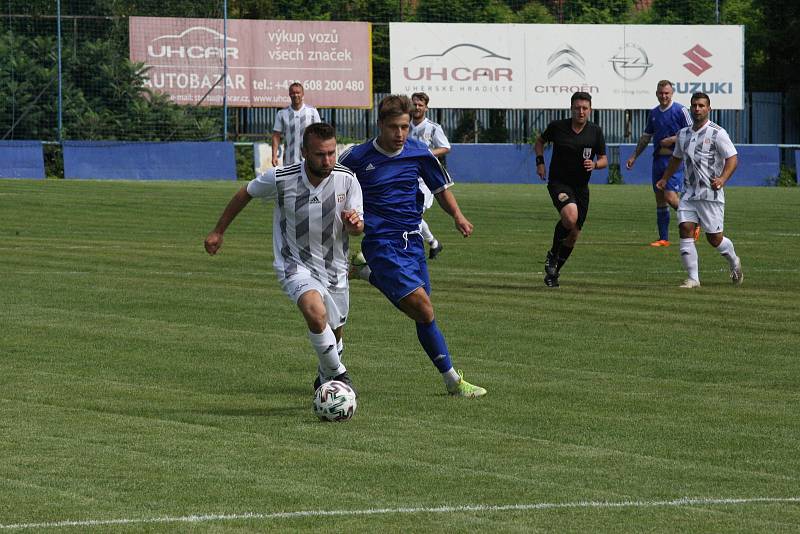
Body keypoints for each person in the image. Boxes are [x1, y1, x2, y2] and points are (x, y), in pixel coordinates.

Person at [339, 94, 486, 398]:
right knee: (424, 309)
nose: (400, 134)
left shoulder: (419, 153)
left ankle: (365, 273)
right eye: (394, 127)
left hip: (413, 243)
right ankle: (453, 382)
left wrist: (457, 215)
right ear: (380, 125)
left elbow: (440, 188)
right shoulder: (356, 157)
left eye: (405, 127)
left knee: (422, 312)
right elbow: (331, 182)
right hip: (381, 243)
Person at [205, 123, 364, 392]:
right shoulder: (281, 178)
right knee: (315, 315)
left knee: (334, 330)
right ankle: (340, 375)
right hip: (294, 264)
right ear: (304, 152)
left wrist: (354, 224)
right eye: (319, 155)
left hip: (335, 266)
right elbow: (246, 192)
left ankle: (327, 371)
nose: (327, 161)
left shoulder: (347, 179)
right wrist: (218, 231)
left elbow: (357, 228)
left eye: (331, 153)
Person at [656, 92, 743, 288]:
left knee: (714, 239)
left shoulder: (717, 133)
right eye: (694, 105)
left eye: (701, 105)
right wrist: (665, 178)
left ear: (708, 109)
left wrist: (722, 179)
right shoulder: (683, 134)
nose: (697, 109)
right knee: (685, 228)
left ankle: (734, 261)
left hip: (711, 195)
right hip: (689, 193)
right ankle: (693, 279)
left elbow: (733, 158)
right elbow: (676, 158)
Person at [534, 91, 608, 288]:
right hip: (559, 183)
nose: (581, 112)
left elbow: (604, 159)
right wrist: (540, 162)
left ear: (590, 110)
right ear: (571, 109)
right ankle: (552, 255)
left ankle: (554, 272)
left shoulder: (595, 132)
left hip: (581, 188)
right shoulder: (558, 127)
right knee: (570, 216)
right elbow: (540, 141)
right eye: (577, 108)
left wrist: (595, 165)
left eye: (585, 108)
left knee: (573, 234)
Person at [625, 80, 694, 247]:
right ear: (657, 93)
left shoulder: (680, 110)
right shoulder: (654, 113)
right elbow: (646, 137)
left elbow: (693, 132)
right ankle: (663, 239)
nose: (664, 96)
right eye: (661, 93)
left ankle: (693, 221)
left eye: (667, 93)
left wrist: (672, 139)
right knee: (660, 200)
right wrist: (634, 156)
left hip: (674, 161)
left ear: (672, 94)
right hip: (658, 161)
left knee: (671, 197)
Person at [409, 91, 450, 259]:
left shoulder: (433, 127)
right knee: (409, 212)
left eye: (420, 105)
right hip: (408, 176)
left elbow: (446, 147)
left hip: (426, 179)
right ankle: (433, 243)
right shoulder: (404, 125)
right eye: (415, 104)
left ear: (426, 107)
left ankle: (427, 243)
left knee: (414, 213)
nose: (417, 107)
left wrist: (427, 153)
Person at [271, 82, 322, 167]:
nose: (295, 95)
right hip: (288, 160)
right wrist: (274, 156)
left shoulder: (312, 111)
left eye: (298, 92)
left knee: (307, 180)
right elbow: (276, 136)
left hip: (308, 159)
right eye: (293, 93)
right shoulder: (282, 113)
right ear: (289, 94)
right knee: (288, 180)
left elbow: (319, 134)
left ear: (302, 94)